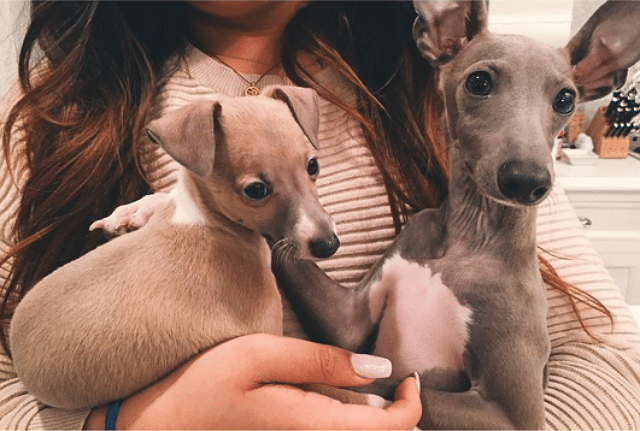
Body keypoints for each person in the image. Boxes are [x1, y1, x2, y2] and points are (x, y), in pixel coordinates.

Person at [0, 1, 639, 429]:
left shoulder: (446, 96)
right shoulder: (55, 122)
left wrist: (387, 400)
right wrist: (125, 422)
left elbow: (610, 358)